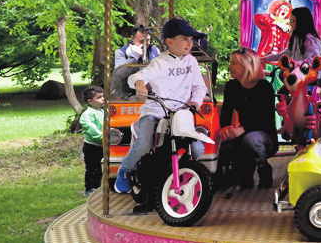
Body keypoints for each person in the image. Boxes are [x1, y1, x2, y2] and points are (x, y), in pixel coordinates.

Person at [114, 18, 209, 194]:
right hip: (156, 110)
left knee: (197, 148)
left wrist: (196, 102)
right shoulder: (160, 62)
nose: (190, 43)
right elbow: (135, 77)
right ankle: (125, 169)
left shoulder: (192, 62)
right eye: (185, 39)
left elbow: (199, 87)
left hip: (180, 112)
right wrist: (140, 83)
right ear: (170, 42)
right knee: (144, 143)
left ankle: (180, 170)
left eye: (191, 39)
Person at [216, 48, 278, 191]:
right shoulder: (231, 86)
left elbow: (266, 121)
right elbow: (226, 114)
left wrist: (243, 129)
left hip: (264, 136)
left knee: (251, 140)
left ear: (247, 65)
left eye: (233, 63)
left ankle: (263, 166)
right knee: (224, 148)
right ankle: (242, 169)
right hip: (244, 134)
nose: (229, 66)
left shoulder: (265, 87)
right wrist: (225, 129)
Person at [79, 86, 106, 197]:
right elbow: (91, 129)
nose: (103, 99)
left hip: (101, 145)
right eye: (99, 97)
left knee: (100, 168)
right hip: (92, 146)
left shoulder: (102, 111)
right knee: (92, 168)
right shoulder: (87, 114)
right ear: (90, 101)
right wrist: (103, 137)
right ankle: (89, 188)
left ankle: (97, 187)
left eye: (103, 96)